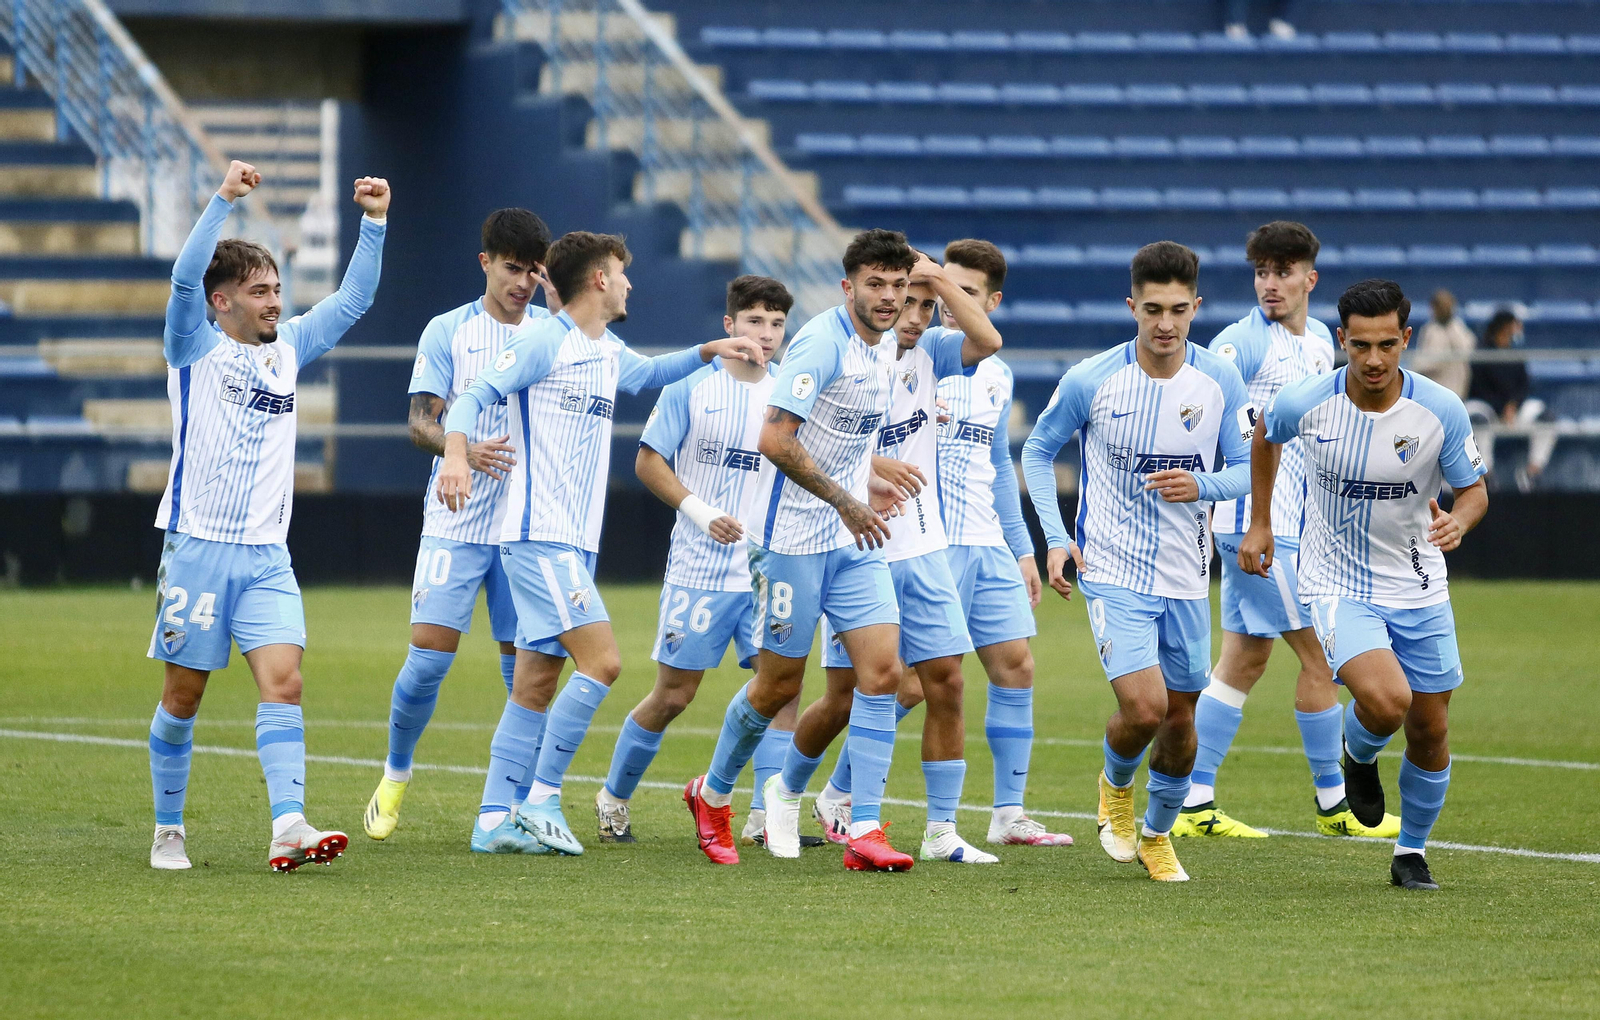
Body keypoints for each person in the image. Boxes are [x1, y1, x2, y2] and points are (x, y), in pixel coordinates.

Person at [434, 231, 763, 856]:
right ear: (599, 279)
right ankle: (541, 800)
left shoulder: (605, 348)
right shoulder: (544, 341)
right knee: (604, 662)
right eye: (622, 271)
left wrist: (711, 349)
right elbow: (471, 396)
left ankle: (492, 821)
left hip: (573, 542)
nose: (630, 282)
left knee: (535, 683)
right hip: (538, 536)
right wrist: (455, 455)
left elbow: (652, 372)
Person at [146, 160, 389, 871]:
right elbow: (182, 280)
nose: (275, 302)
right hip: (198, 548)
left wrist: (375, 222)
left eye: (278, 289)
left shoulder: (289, 351)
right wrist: (223, 198)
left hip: (266, 557)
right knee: (184, 696)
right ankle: (168, 829)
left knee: (285, 683)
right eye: (260, 291)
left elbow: (353, 300)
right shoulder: (193, 347)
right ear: (221, 301)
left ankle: (289, 825)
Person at [812, 239, 1071, 849]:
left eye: (965, 293)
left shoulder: (993, 373)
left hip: (984, 539)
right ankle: (833, 792)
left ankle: (1006, 815)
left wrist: (1023, 548)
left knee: (1015, 666)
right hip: (923, 538)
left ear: (991, 300)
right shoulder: (913, 355)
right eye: (933, 292)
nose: (947, 306)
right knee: (902, 683)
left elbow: (998, 464)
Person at [683, 228, 920, 871]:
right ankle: (713, 793)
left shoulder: (885, 347)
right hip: (789, 540)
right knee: (777, 685)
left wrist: (868, 479)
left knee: (883, 674)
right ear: (847, 287)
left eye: (899, 285)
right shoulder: (822, 343)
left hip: (851, 538)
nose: (889, 297)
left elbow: (842, 436)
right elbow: (776, 439)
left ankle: (862, 827)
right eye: (875, 284)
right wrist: (846, 500)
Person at [1241, 279, 1489, 890]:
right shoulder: (1308, 401)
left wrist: (1459, 520)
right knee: (1385, 701)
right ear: (1341, 340)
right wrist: (1261, 521)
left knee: (1430, 729)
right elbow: (1266, 435)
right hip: (1336, 581)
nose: (1374, 359)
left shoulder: (1440, 410)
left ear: (1406, 338)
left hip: (1419, 583)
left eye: (1386, 345)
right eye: (1360, 346)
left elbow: (1474, 490)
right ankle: (1357, 754)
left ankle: (1411, 852)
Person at [762, 248, 1004, 866]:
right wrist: (870, 466)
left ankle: (939, 829)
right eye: (903, 298)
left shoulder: (932, 353)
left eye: (923, 302)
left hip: (921, 541)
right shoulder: (849, 350)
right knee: (845, 696)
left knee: (944, 680)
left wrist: (939, 277)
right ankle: (789, 793)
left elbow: (988, 339)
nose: (913, 314)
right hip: (851, 539)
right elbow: (810, 437)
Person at [1022, 242, 1254, 882]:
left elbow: (1247, 469)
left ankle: (1157, 835)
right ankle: (1116, 787)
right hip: (1113, 570)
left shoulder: (1220, 381)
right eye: (1153, 309)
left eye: (1178, 310)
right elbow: (1037, 452)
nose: (1166, 323)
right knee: (1146, 708)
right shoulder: (1090, 379)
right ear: (1132, 307)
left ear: (1196, 307)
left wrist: (1202, 485)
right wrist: (1055, 537)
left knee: (1181, 721)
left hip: (1186, 574)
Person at [1177, 221, 1399, 840]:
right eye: (1261, 272)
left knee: (1243, 661)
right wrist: (1250, 518)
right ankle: (1336, 805)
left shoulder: (1322, 340)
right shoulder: (1240, 344)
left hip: (1292, 524)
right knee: (1322, 656)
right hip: (1255, 526)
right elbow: (1204, 416)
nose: (1269, 284)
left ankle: (1194, 801)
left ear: (1310, 278)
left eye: (1282, 272)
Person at [593, 275, 811, 847]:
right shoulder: (691, 386)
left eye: (776, 323)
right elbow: (648, 461)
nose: (766, 333)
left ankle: (766, 819)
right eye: (755, 321)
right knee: (675, 694)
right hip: (701, 569)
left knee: (782, 690)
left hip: (769, 569)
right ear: (729, 325)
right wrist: (700, 511)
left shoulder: (791, 392)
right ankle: (613, 797)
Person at [363, 208, 557, 846]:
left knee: (525, 671)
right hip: (457, 519)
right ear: (485, 263)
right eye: (511, 268)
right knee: (427, 660)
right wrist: (462, 450)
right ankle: (396, 772)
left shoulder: (552, 334)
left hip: (525, 526)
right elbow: (420, 422)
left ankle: (512, 806)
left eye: (533, 272)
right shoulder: (449, 330)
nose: (522, 283)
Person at [1466, 309, 1554, 487]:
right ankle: (1486, 475)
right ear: (1505, 327)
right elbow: (1478, 389)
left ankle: (1532, 473)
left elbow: (1524, 386)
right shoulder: (1481, 352)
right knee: (1476, 419)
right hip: (1488, 409)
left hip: (1514, 411)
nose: (1518, 329)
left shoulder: (1515, 354)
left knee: (1546, 418)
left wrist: (1513, 405)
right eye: (1515, 325)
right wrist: (1502, 408)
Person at [1411, 290, 1474, 400]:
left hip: (1456, 388)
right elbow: (1424, 362)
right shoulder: (1429, 329)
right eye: (1440, 306)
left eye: (1447, 305)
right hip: (1433, 387)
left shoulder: (1458, 327)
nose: (1443, 309)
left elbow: (1468, 349)